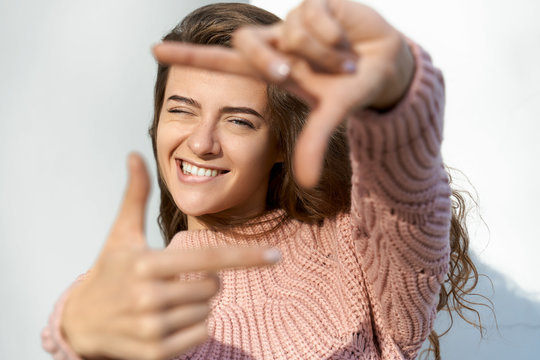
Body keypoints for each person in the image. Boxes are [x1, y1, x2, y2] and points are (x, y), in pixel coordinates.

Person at [41, 1, 480, 359]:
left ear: (282, 144)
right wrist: (74, 329)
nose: (201, 142)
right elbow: (80, 323)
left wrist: (397, 85)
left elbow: (407, 202)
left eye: (238, 121)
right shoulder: (134, 294)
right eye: (180, 109)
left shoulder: (352, 248)